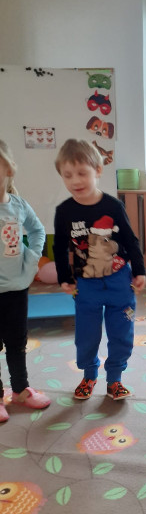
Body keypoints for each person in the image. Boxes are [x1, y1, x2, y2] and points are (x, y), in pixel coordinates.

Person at [53, 139, 146, 400]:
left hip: (119, 281)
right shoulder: (64, 211)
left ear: (97, 170)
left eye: (82, 173)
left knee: (121, 331)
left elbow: (130, 240)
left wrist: (139, 270)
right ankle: (89, 375)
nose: (75, 180)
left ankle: (115, 379)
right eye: (67, 175)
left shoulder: (113, 206)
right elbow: (59, 247)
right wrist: (64, 277)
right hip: (86, 285)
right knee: (86, 335)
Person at [0, 139, 51, 422]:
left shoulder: (18, 206)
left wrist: (31, 261)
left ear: (8, 169)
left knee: (17, 342)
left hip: (16, 288)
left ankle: (20, 389)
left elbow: (37, 230)